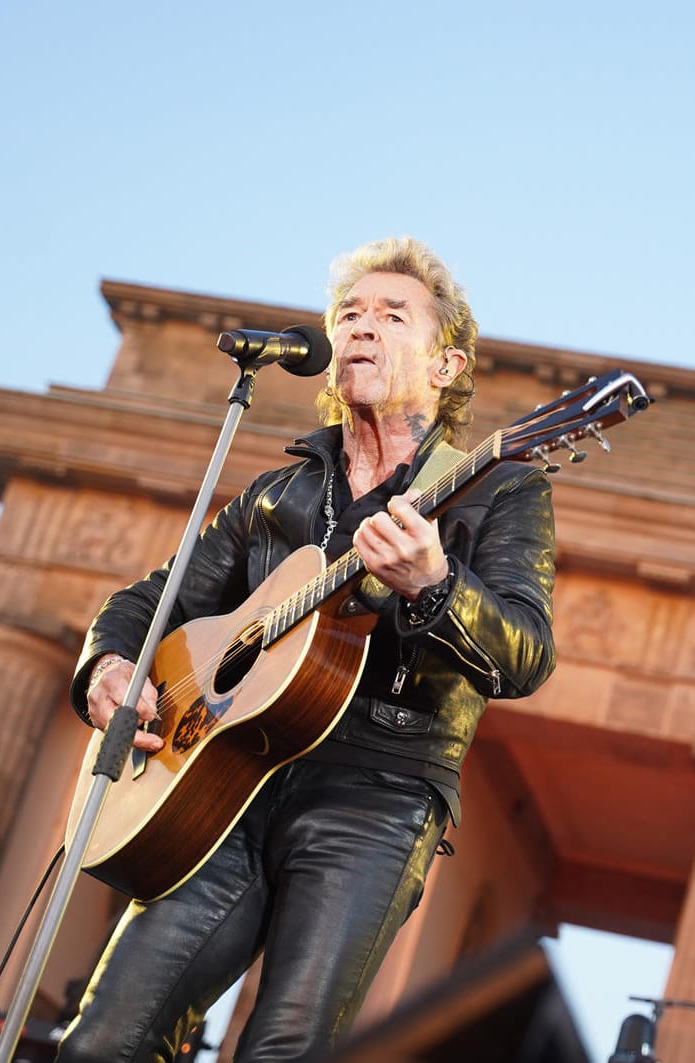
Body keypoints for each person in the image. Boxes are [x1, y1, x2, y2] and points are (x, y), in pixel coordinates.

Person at [56, 237, 557, 1063]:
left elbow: (525, 653)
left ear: (446, 365)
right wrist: (109, 668)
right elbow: (150, 603)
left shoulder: (498, 487)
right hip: (226, 784)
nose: (361, 327)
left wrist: (435, 583)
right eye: (349, 314)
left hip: (377, 797)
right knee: (101, 1040)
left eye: (392, 316)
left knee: (282, 1050)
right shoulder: (278, 493)